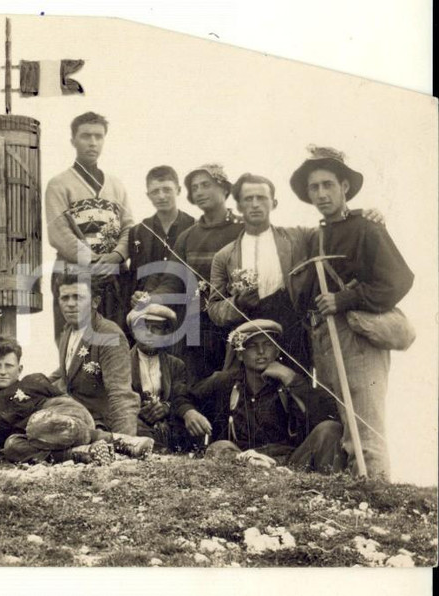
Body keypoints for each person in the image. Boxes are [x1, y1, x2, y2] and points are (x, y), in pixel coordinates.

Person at [290, 146, 414, 481]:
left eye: (328, 185)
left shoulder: (367, 227)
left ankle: (376, 498)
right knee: (346, 424)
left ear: (344, 187)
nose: (321, 194)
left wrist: (345, 299)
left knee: (366, 428)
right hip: (326, 340)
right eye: (314, 188)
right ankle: (355, 497)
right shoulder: (314, 237)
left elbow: (399, 280)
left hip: (359, 338)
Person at [178, 320, 343, 472]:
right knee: (220, 447)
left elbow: (326, 415)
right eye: (252, 346)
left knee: (330, 429)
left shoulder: (290, 382)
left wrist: (291, 379)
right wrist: (188, 412)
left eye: (268, 345)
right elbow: (183, 397)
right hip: (243, 463)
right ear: (240, 354)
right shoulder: (225, 381)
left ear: (276, 350)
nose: (261, 351)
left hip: (288, 464)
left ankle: (323, 490)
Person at [207, 174, 314, 371]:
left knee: (295, 395)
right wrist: (237, 303)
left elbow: (334, 233)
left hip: (291, 337)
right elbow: (214, 309)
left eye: (261, 198)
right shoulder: (224, 256)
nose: (255, 204)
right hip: (249, 340)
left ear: (273, 203)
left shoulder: (298, 238)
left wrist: (368, 216)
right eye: (248, 199)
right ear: (238, 206)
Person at [0, 336, 118, 465]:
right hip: (37, 438)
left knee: (38, 425)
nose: (2, 372)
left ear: (19, 369)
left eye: (8, 366)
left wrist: (92, 424)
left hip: (63, 419)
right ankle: (80, 453)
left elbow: (70, 406)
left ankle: (115, 440)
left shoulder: (33, 381)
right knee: (11, 447)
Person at [45, 112, 135, 335]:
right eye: (86, 136)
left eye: (98, 136)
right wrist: (93, 261)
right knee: (76, 341)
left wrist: (115, 256)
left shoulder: (116, 185)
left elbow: (129, 228)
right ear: (73, 140)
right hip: (74, 274)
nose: (93, 143)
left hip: (114, 274)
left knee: (115, 336)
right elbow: (59, 232)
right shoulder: (59, 184)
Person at [153, 164, 243, 384]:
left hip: (235, 324)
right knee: (196, 390)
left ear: (224, 189)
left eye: (206, 185)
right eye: (195, 188)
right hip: (195, 330)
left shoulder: (243, 229)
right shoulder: (187, 236)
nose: (200, 192)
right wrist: (151, 298)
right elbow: (173, 281)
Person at [48, 273, 151, 454]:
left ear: (95, 302)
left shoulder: (109, 335)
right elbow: (67, 371)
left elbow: (121, 394)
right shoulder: (68, 331)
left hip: (100, 426)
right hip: (74, 419)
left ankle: (88, 450)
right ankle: (79, 453)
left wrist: (125, 443)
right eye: (65, 297)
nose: (70, 303)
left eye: (78, 297)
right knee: (15, 444)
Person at [127, 166, 196, 312]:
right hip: (147, 310)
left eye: (167, 189)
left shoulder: (194, 227)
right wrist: (136, 296)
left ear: (178, 190)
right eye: (155, 191)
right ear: (148, 195)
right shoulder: (138, 231)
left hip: (185, 308)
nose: (161, 196)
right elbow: (135, 276)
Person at [126, 304, 192, 453]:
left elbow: (180, 397)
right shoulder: (122, 364)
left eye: (156, 328)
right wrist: (138, 411)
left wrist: (166, 408)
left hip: (167, 424)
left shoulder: (175, 365)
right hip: (135, 422)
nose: (149, 333)